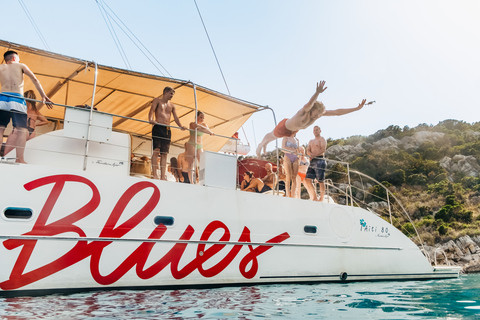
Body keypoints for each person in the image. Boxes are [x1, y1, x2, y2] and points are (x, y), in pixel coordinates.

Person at [256, 81, 367, 156]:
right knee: (271, 136)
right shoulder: (304, 111)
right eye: (316, 113)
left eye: (319, 114)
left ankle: (265, 144)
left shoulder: (318, 114)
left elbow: (337, 112)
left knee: (273, 138)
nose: (317, 116)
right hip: (285, 126)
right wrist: (317, 92)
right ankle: (261, 145)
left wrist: (356, 108)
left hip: (293, 131)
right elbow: (310, 103)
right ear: (313, 109)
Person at [0, 50, 53, 163]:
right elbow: (35, 80)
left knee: (0, 129)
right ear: (15, 58)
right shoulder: (21, 65)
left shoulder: (1, 67)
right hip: (16, 98)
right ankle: (20, 159)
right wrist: (43, 96)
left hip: (2, 98)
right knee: (21, 130)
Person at [148, 86, 187, 180]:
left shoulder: (172, 105)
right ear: (165, 92)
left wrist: (181, 126)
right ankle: (155, 175)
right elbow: (152, 110)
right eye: (171, 93)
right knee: (156, 150)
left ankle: (162, 176)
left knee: (164, 153)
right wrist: (150, 119)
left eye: (173, 94)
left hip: (167, 129)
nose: (172, 95)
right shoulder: (157, 100)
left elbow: (176, 117)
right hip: (158, 127)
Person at [3, 90, 49, 156]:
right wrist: (35, 124)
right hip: (31, 131)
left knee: (8, 153)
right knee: (25, 153)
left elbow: (45, 121)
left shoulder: (22, 107)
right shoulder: (35, 111)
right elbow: (45, 121)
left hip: (20, 130)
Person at [185, 111, 214, 184]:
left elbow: (206, 129)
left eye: (203, 118)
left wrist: (208, 131)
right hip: (192, 143)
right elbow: (202, 129)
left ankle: (202, 180)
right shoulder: (192, 124)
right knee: (191, 164)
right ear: (197, 117)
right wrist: (207, 131)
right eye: (201, 117)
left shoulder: (204, 125)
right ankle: (191, 181)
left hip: (199, 145)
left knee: (203, 162)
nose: (202, 119)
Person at [304, 126, 327, 201]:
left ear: (320, 131)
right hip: (312, 161)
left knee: (320, 180)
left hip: (320, 160)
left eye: (317, 130)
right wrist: (310, 155)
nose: (315, 131)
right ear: (313, 132)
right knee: (307, 179)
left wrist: (314, 155)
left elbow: (323, 149)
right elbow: (308, 150)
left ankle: (322, 198)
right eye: (314, 130)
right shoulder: (311, 141)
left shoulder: (322, 139)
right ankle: (314, 197)